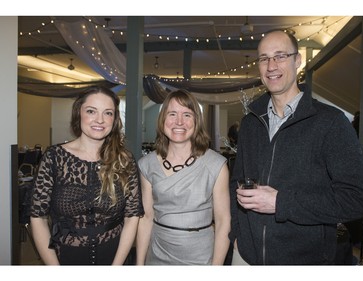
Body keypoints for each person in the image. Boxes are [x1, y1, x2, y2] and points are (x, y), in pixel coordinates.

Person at [229, 29, 363, 265]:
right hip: (247, 257)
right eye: (264, 58)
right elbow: (235, 183)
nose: (271, 65)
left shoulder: (330, 122)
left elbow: (359, 199)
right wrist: (237, 236)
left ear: (297, 61)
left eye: (280, 56)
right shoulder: (250, 123)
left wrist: (281, 203)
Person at [30, 86, 144, 265]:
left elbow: (132, 217)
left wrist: (116, 268)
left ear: (114, 120)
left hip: (115, 256)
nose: (100, 120)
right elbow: (38, 217)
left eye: (108, 113)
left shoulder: (124, 160)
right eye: (91, 111)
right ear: (78, 113)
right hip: (65, 258)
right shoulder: (54, 157)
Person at [136, 89, 231, 265]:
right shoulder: (146, 164)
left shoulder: (216, 165)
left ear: (196, 121)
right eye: (172, 114)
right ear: (163, 119)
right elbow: (147, 218)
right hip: (157, 256)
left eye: (187, 114)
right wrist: (139, 265)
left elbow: (223, 221)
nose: (179, 122)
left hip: (201, 257)